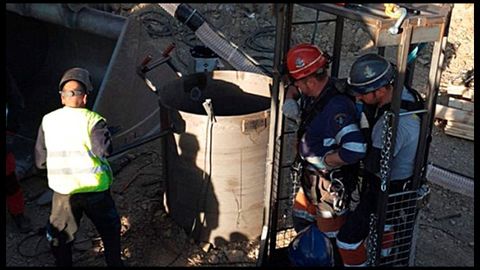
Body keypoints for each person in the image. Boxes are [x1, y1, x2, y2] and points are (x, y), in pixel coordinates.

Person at [282, 43, 367, 266]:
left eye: (299, 82)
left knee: (329, 241)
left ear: (311, 80)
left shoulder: (336, 108)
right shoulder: (317, 92)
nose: (297, 86)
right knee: (301, 218)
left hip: (328, 187)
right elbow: (293, 87)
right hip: (312, 181)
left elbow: (355, 148)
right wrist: (290, 97)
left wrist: (326, 161)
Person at [34, 67, 124, 267]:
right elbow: (105, 151)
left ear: (62, 98)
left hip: (64, 193)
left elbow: (40, 161)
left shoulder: (47, 120)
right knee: (110, 232)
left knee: (61, 237)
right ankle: (114, 263)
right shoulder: (93, 120)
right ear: (84, 98)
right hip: (95, 192)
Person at [345, 53, 424, 264]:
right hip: (403, 186)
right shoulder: (408, 96)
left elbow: (372, 163)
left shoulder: (390, 125)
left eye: (362, 93)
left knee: (348, 239)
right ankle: (382, 257)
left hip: (387, 188)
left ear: (380, 91)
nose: (359, 98)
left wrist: (359, 132)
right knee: (386, 233)